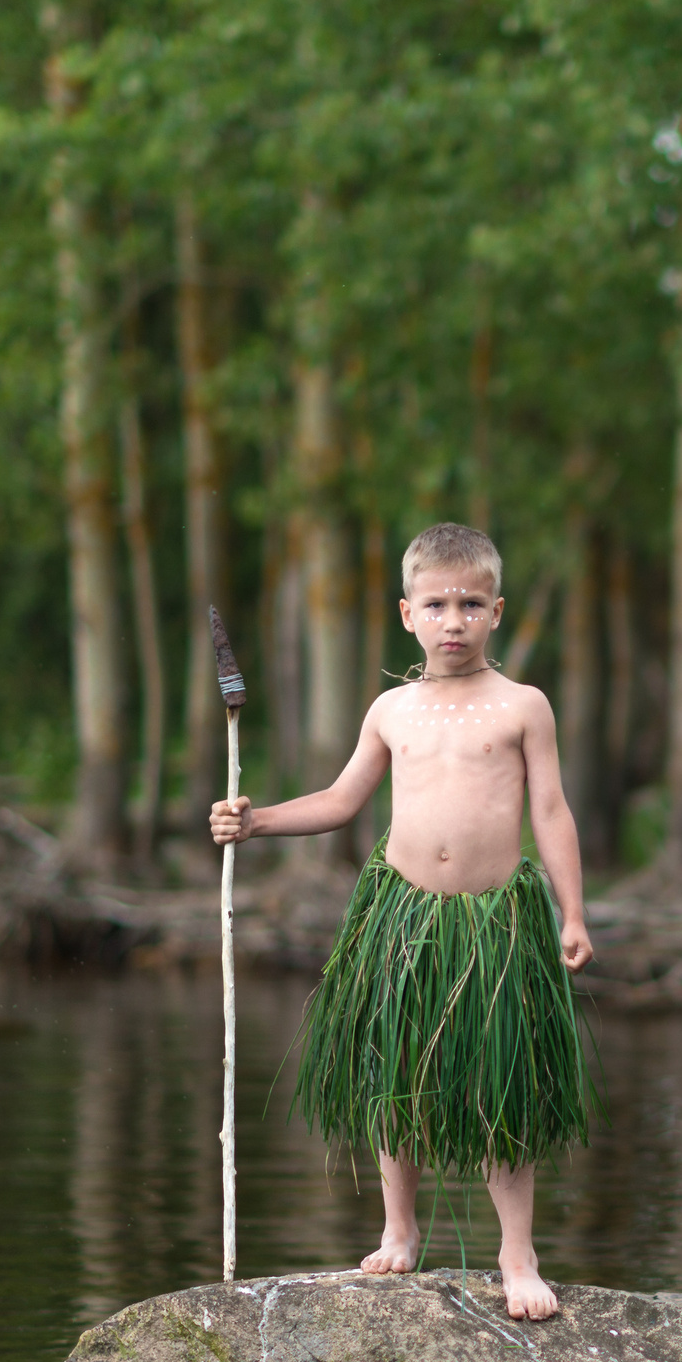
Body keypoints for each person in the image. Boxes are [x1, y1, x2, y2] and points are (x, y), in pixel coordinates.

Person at [209, 522, 595, 1321]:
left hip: (496, 920)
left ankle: (517, 1252)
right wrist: (258, 821)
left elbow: (551, 811)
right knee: (397, 1073)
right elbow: (342, 801)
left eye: (470, 603)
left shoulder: (523, 706)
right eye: (436, 604)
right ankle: (399, 1228)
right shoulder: (393, 709)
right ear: (406, 613)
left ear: (497, 611)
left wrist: (573, 912)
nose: (453, 619)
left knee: (504, 1083)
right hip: (403, 914)